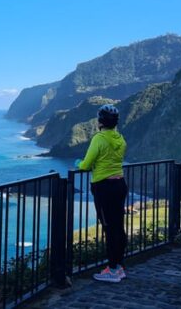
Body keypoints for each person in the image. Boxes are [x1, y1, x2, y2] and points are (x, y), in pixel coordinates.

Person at [75, 104, 128, 283]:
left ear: (100, 122)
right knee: (118, 226)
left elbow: (87, 163)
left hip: (104, 187)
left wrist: (78, 164)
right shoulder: (120, 138)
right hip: (120, 184)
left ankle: (112, 270)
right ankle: (119, 267)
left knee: (109, 228)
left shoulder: (99, 138)